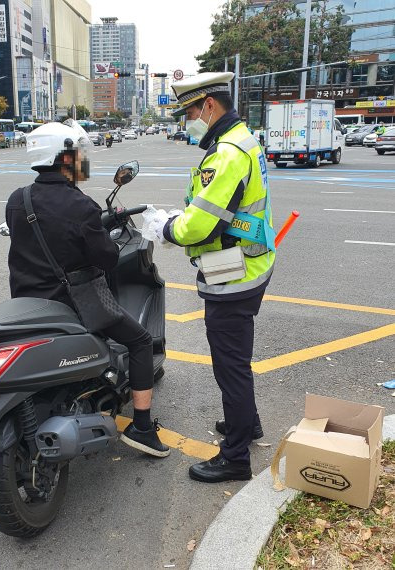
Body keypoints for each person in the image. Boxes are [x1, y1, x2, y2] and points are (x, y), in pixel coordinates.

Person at [5, 120, 170, 458]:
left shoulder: (17, 199)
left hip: (25, 305)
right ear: (64, 158)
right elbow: (107, 259)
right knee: (139, 340)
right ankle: (141, 427)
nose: (85, 160)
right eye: (80, 154)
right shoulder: (80, 206)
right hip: (75, 305)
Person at [155, 72, 276, 483]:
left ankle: (236, 456)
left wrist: (166, 228)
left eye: (189, 111)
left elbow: (198, 226)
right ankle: (248, 424)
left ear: (208, 105)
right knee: (237, 361)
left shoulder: (226, 153)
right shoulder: (244, 139)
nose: (187, 121)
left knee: (231, 366)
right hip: (250, 263)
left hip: (233, 274)